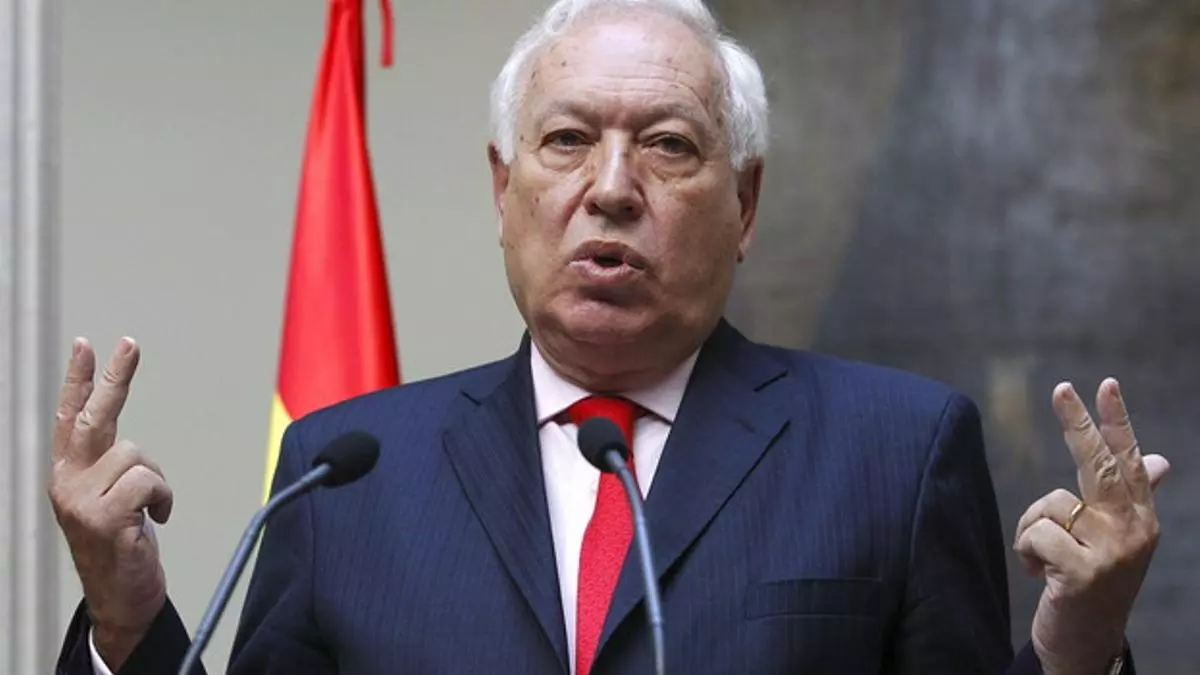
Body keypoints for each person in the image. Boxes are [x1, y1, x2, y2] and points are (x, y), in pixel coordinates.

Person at [50, 0, 1169, 673]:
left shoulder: (897, 452)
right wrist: (125, 614)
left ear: (745, 204)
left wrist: (1075, 647)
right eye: (568, 140)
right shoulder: (346, 473)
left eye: (669, 146)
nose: (613, 188)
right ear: (503, 190)